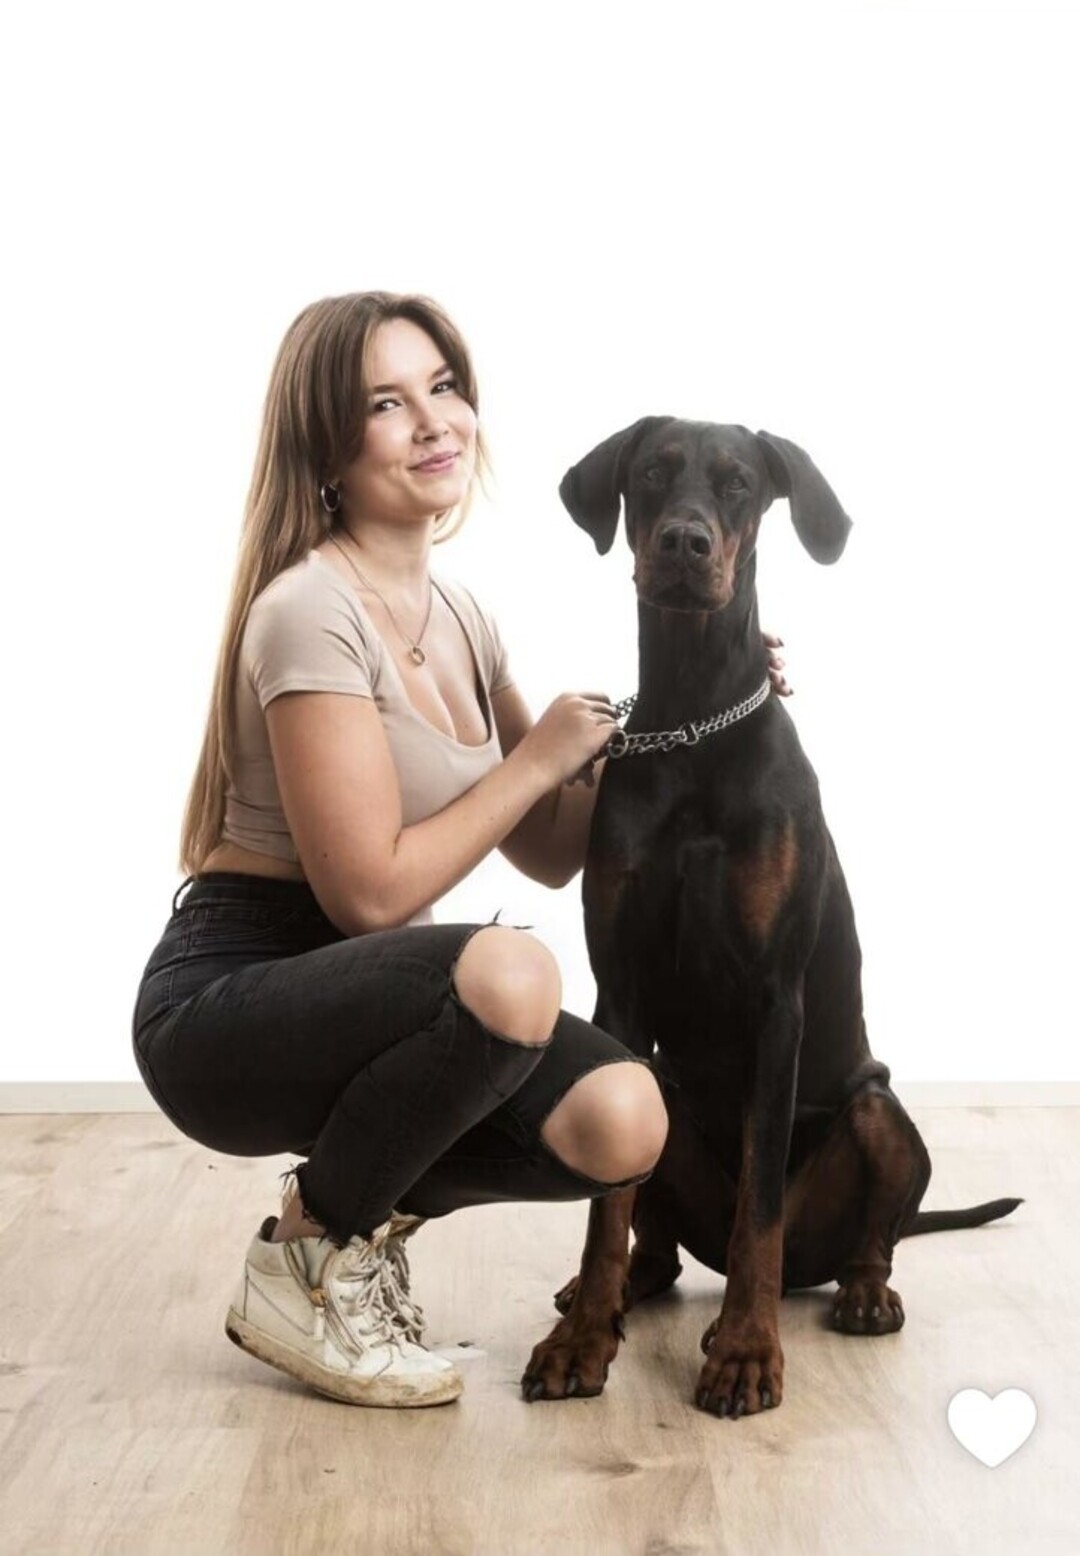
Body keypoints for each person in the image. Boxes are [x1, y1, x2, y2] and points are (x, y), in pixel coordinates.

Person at [130, 290, 790, 1411]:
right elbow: (368, 893)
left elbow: (554, 845)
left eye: (443, 387)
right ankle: (306, 1258)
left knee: (628, 1116)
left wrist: (701, 701)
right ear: (327, 447)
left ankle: (358, 1219)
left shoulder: (461, 615)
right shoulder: (308, 609)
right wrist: (537, 761)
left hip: (371, 1007)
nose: (434, 420)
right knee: (514, 971)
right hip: (229, 1001)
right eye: (387, 402)